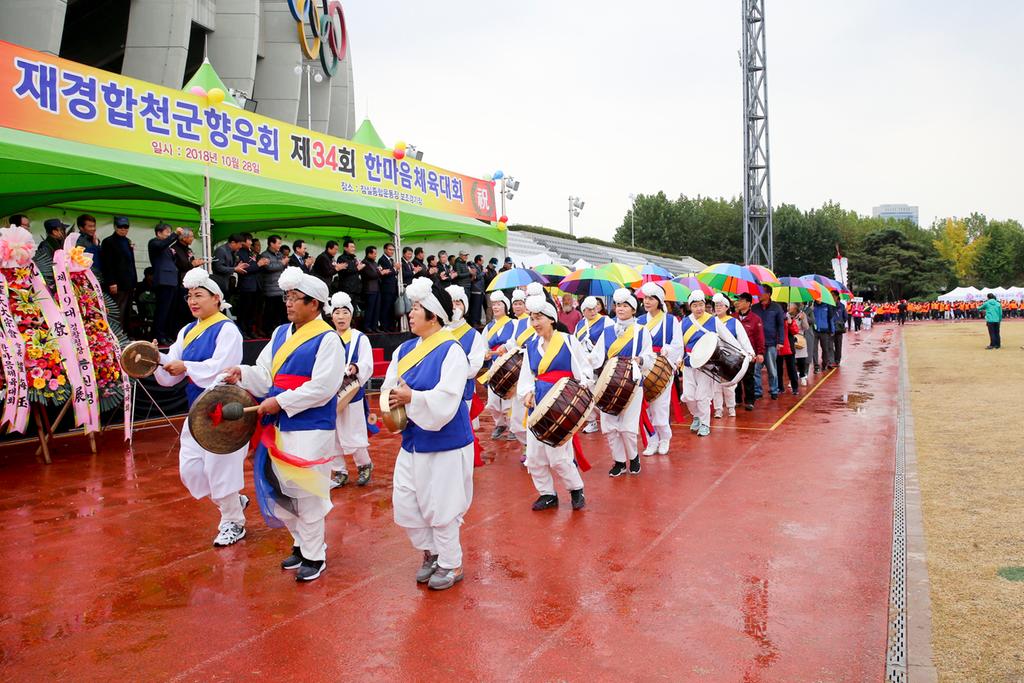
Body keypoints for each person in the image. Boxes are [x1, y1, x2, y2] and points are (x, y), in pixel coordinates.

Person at [223, 267, 344, 582]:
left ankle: (315, 555)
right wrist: (243, 373)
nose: (288, 304)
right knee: (280, 487)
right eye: (287, 298)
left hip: (310, 425)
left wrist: (283, 401)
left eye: (295, 299)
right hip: (278, 421)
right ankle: (301, 545)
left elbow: (323, 387)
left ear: (314, 304)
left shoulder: (328, 339)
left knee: (306, 491)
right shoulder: (279, 334)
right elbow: (264, 373)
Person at [382, 277, 474, 591]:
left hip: (445, 441)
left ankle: (451, 562)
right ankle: (432, 552)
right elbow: (388, 387)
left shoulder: (452, 351)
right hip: (413, 439)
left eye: (417, 308)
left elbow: (448, 400)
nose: (410, 313)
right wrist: (391, 406)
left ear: (433, 315)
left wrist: (414, 399)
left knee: (443, 506)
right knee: (406, 503)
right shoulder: (405, 349)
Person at [153, 268, 248, 547]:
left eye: (199, 295)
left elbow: (222, 368)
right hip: (197, 409)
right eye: (189, 296)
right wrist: (154, 357)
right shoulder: (187, 330)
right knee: (191, 469)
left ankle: (233, 522)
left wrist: (187, 366)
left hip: (223, 407)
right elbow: (173, 369)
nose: (193, 301)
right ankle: (232, 502)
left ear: (216, 298)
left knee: (221, 468)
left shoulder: (228, 329)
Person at [518, 293, 593, 510]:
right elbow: (527, 376)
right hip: (538, 404)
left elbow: (584, 369)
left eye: (538, 318)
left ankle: (576, 488)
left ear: (550, 318)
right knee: (533, 456)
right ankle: (547, 493)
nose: (534, 323)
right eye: (531, 319)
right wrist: (528, 392)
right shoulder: (531, 346)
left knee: (558, 455)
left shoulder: (569, 341)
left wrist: (583, 384)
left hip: (562, 403)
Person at [587, 287, 655, 476]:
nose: (620, 309)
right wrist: (585, 360)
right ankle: (618, 461)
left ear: (634, 310)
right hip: (608, 383)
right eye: (618, 305)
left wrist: (641, 360)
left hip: (632, 384)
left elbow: (650, 356)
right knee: (609, 426)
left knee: (627, 427)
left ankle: (633, 457)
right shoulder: (608, 331)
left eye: (625, 305)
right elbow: (596, 357)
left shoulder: (641, 331)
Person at [326, 291, 375, 488]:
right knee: (333, 432)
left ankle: (364, 465)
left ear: (351, 315)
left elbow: (367, 363)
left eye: (345, 312)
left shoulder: (359, 338)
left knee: (353, 431)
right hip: (330, 393)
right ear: (331, 316)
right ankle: (339, 471)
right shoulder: (328, 338)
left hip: (351, 393)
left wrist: (357, 367)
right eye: (337, 313)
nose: (341, 317)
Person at [636, 281, 683, 455]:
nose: (646, 302)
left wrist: (668, 350)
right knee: (645, 406)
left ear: (659, 300)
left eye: (651, 298)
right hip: (644, 366)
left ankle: (665, 438)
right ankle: (651, 440)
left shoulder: (671, 321)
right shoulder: (639, 321)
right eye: (645, 298)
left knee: (660, 406)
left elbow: (678, 344)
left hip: (663, 366)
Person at [444, 284, 486, 467]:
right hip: (440, 391)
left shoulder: (473, 335)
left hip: (463, 391)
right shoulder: (438, 332)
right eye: (451, 302)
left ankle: (464, 463)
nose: (454, 306)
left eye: (458, 302)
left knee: (461, 428)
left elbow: (474, 367)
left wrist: (451, 371)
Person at [680, 290, 719, 436]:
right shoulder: (684, 322)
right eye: (695, 305)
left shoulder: (713, 320)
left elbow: (727, 338)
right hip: (688, 363)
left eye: (701, 305)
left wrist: (745, 351)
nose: (699, 308)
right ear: (690, 307)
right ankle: (696, 415)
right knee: (688, 395)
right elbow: (679, 344)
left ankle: (705, 424)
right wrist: (679, 358)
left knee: (703, 395)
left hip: (706, 364)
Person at [502, 288, 536, 452]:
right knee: (516, 419)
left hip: (536, 372)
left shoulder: (546, 321)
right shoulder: (520, 323)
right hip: (520, 371)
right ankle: (527, 444)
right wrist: (504, 347)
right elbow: (513, 342)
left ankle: (534, 447)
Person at [711, 293, 755, 417]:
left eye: (721, 305)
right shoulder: (711, 321)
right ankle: (718, 409)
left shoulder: (733, 322)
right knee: (716, 386)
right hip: (714, 358)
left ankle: (731, 407)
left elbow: (743, 338)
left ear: (727, 307)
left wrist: (750, 352)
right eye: (716, 305)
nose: (718, 307)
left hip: (730, 358)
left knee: (729, 385)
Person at [482, 291, 516, 440]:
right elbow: (483, 346)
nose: (496, 307)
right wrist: (486, 354)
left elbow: (516, 342)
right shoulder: (488, 327)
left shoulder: (513, 323)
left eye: (499, 304)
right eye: (494, 304)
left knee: (509, 399)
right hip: (493, 366)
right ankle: (500, 424)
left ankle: (513, 427)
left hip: (509, 366)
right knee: (493, 400)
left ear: (505, 307)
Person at [574, 296, 609, 434]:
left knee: (602, 393)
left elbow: (609, 341)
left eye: (594, 308)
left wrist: (595, 356)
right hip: (584, 365)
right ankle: (592, 421)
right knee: (586, 394)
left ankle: (607, 420)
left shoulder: (606, 321)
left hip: (601, 363)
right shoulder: (580, 324)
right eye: (589, 309)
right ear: (583, 311)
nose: (593, 312)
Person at [100, 216, 137, 332]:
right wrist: (111, 282)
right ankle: (116, 334)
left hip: (128, 282)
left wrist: (134, 280)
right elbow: (107, 264)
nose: (123, 229)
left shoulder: (127, 241)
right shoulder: (108, 242)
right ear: (115, 227)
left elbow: (131, 263)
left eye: (126, 227)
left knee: (127, 310)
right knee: (117, 310)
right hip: (117, 283)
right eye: (120, 227)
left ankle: (125, 333)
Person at [149, 223, 183, 345]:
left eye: (170, 232)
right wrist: (175, 234)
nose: (169, 234)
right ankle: (159, 335)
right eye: (167, 232)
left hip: (172, 280)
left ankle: (167, 334)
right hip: (163, 281)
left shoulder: (167, 247)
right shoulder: (154, 242)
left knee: (170, 310)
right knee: (162, 310)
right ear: (159, 233)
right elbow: (162, 245)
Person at [751, 285, 784, 400]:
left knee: (772, 369)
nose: (759, 294)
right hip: (757, 344)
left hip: (771, 343)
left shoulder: (776, 308)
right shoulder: (754, 308)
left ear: (768, 294)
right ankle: (757, 391)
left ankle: (774, 390)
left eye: (762, 292)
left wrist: (780, 341)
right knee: (756, 369)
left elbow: (781, 325)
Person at [733, 293, 765, 411]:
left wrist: (760, 352)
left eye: (741, 300)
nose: (738, 302)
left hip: (749, 353)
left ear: (748, 303)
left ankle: (750, 401)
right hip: (735, 353)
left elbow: (759, 337)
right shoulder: (733, 317)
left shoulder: (755, 319)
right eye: (738, 300)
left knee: (748, 377)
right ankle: (737, 400)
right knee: (735, 377)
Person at [233, 235, 268, 339]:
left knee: (253, 310)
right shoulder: (240, 253)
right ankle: (242, 331)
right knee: (244, 310)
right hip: (246, 286)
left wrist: (262, 264)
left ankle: (250, 330)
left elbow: (256, 266)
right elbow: (245, 269)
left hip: (256, 285)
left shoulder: (250, 253)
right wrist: (258, 265)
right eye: (249, 240)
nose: (250, 243)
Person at [260, 235, 289, 331]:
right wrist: (282, 263)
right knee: (269, 311)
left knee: (279, 311)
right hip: (270, 287)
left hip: (280, 288)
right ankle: (267, 330)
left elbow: (283, 267)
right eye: (278, 243)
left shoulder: (279, 254)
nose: (280, 245)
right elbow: (269, 268)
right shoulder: (265, 255)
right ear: (271, 244)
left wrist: (284, 263)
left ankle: (277, 329)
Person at [32, 217, 69, 286]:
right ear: (54, 232)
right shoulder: (45, 246)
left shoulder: (59, 243)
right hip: (53, 283)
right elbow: (47, 269)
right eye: (62, 230)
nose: (64, 232)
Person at [776, 310, 800, 396]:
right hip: (778, 346)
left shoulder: (789, 318)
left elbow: (795, 331)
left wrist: (790, 323)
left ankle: (795, 387)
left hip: (788, 346)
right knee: (778, 369)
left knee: (791, 369)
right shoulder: (775, 318)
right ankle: (780, 387)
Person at [75, 214, 103, 282]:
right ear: (81, 228)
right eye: (90, 226)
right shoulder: (78, 241)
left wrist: (96, 244)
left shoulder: (94, 239)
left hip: (99, 278)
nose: (93, 229)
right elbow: (83, 263)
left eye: (94, 226)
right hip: (89, 280)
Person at [360, 245, 382, 331]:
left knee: (377, 309)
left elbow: (377, 273)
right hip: (369, 289)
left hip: (377, 289)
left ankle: (375, 326)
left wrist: (380, 272)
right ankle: (367, 326)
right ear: (369, 253)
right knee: (370, 309)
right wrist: (381, 273)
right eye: (374, 253)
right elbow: (371, 275)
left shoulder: (375, 263)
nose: (376, 255)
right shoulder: (364, 263)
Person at [378, 243, 399, 332]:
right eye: (390, 250)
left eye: (393, 250)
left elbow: (393, 273)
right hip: (386, 288)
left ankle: (391, 326)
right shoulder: (382, 260)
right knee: (385, 308)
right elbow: (383, 274)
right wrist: (394, 269)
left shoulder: (391, 260)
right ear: (385, 250)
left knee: (391, 308)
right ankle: (384, 326)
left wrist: (395, 270)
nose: (392, 252)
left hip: (393, 287)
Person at [790, 303, 811, 386]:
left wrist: (802, 319)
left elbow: (806, 327)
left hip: (800, 339)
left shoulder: (802, 315)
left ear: (795, 308)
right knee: (791, 361)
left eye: (791, 306)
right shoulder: (787, 315)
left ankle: (802, 376)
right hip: (791, 339)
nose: (789, 308)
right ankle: (792, 379)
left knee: (801, 360)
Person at [812, 298, 835, 370]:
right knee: (814, 349)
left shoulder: (827, 306)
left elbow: (831, 319)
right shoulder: (813, 306)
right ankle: (816, 365)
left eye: (819, 298)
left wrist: (832, 330)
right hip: (815, 331)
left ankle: (824, 363)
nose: (818, 300)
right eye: (816, 298)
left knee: (825, 349)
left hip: (825, 331)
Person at [468, 255, 485, 326]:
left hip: (481, 290)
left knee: (479, 307)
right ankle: (474, 322)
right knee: (475, 307)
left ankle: (478, 321)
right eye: (482, 260)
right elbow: (475, 277)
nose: (483, 261)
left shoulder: (481, 267)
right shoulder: (473, 267)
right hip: (475, 289)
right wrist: (483, 273)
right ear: (478, 261)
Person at [831, 294, 847, 366]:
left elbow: (845, 317)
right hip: (831, 328)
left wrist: (841, 323)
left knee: (838, 345)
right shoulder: (830, 305)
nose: (832, 297)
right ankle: (832, 359)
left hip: (839, 329)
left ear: (837, 296)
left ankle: (837, 360)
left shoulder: (842, 306)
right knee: (830, 345)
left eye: (833, 295)